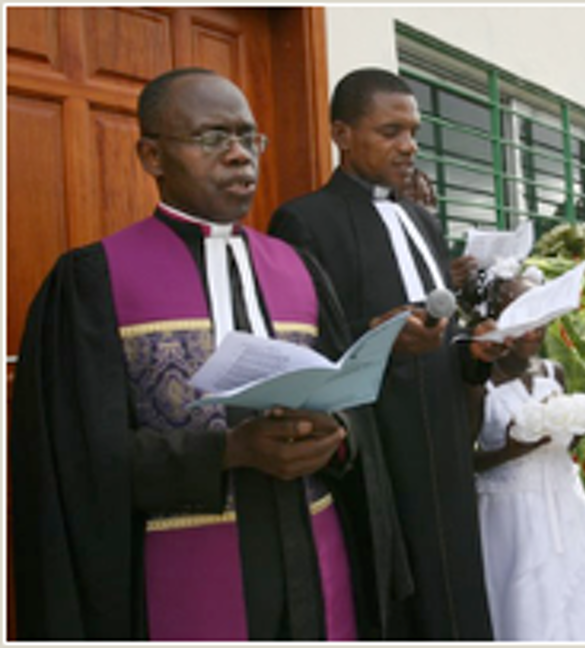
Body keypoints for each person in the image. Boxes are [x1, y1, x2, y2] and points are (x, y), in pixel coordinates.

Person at [10, 67, 412, 640]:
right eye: (211, 138)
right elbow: (74, 461)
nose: (239, 156)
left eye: (249, 138)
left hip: (316, 557)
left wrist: (337, 435)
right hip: (181, 569)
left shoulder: (298, 268)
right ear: (151, 155)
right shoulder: (94, 280)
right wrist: (227, 451)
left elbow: (352, 404)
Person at [269, 67, 495, 640]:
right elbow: (303, 340)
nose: (409, 146)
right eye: (390, 131)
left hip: (442, 438)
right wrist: (378, 336)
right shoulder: (303, 219)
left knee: (456, 587)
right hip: (376, 444)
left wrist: (479, 351)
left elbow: (442, 328)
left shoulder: (423, 218)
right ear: (342, 134)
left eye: (413, 131)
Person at [468, 268, 585, 641]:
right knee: (527, 604)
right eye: (522, 314)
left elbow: (564, 444)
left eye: (541, 316)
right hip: (511, 515)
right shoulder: (477, 379)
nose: (534, 328)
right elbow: (466, 462)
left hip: (567, 507)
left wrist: (573, 427)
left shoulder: (554, 372)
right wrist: (511, 451)